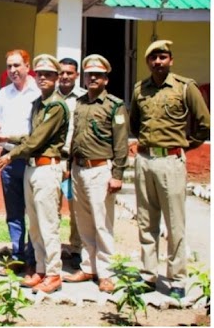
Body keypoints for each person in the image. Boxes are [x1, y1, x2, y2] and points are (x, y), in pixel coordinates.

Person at [130, 40, 210, 298]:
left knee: (175, 223)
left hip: (171, 162)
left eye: (162, 57)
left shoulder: (185, 87)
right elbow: (134, 123)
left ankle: (177, 279)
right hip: (144, 161)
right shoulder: (139, 88)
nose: (158, 62)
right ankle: (148, 275)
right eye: (153, 58)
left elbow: (203, 124)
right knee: (146, 222)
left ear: (170, 60)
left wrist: (185, 146)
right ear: (147, 62)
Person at [0, 54, 69, 294]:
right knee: (35, 225)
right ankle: (40, 269)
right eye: (41, 74)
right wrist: (9, 138)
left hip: (47, 168)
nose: (44, 78)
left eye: (49, 74)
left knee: (48, 224)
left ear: (57, 78)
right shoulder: (38, 103)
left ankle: (54, 273)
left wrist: (10, 154)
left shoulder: (56, 105)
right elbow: (29, 135)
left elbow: (38, 139)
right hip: (32, 167)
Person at [62, 55, 129, 293]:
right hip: (79, 169)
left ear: (106, 79)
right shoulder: (79, 103)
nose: (92, 78)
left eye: (98, 75)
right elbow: (73, 137)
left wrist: (118, 174)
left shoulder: (114, 105)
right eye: (89, 74)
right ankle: (88, 266)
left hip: (101, 170)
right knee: (84, 223)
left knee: (102, 224)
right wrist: (68, 167)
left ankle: (106, 272)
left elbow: (121, 144)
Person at [0, 49, 39, 275]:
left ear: (27, 66)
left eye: (17, 65)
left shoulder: (38, 92)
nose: (13, 70)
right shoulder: (3, 94)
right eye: (9, 66)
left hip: (32, 160)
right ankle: (17, 256)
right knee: (14, 212)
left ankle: (33, 259)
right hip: (9, 161)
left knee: (34, 212)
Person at [56, 57, 87, 269]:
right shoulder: (48, 96)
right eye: (62, 72)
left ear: (76, 75)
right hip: (53, 159)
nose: (65, 76)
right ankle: (52, 250)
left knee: (77, 209)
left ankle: (77, 249)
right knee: (51, 208)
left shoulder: (85, 98)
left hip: (76, 160)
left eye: (69, 72)